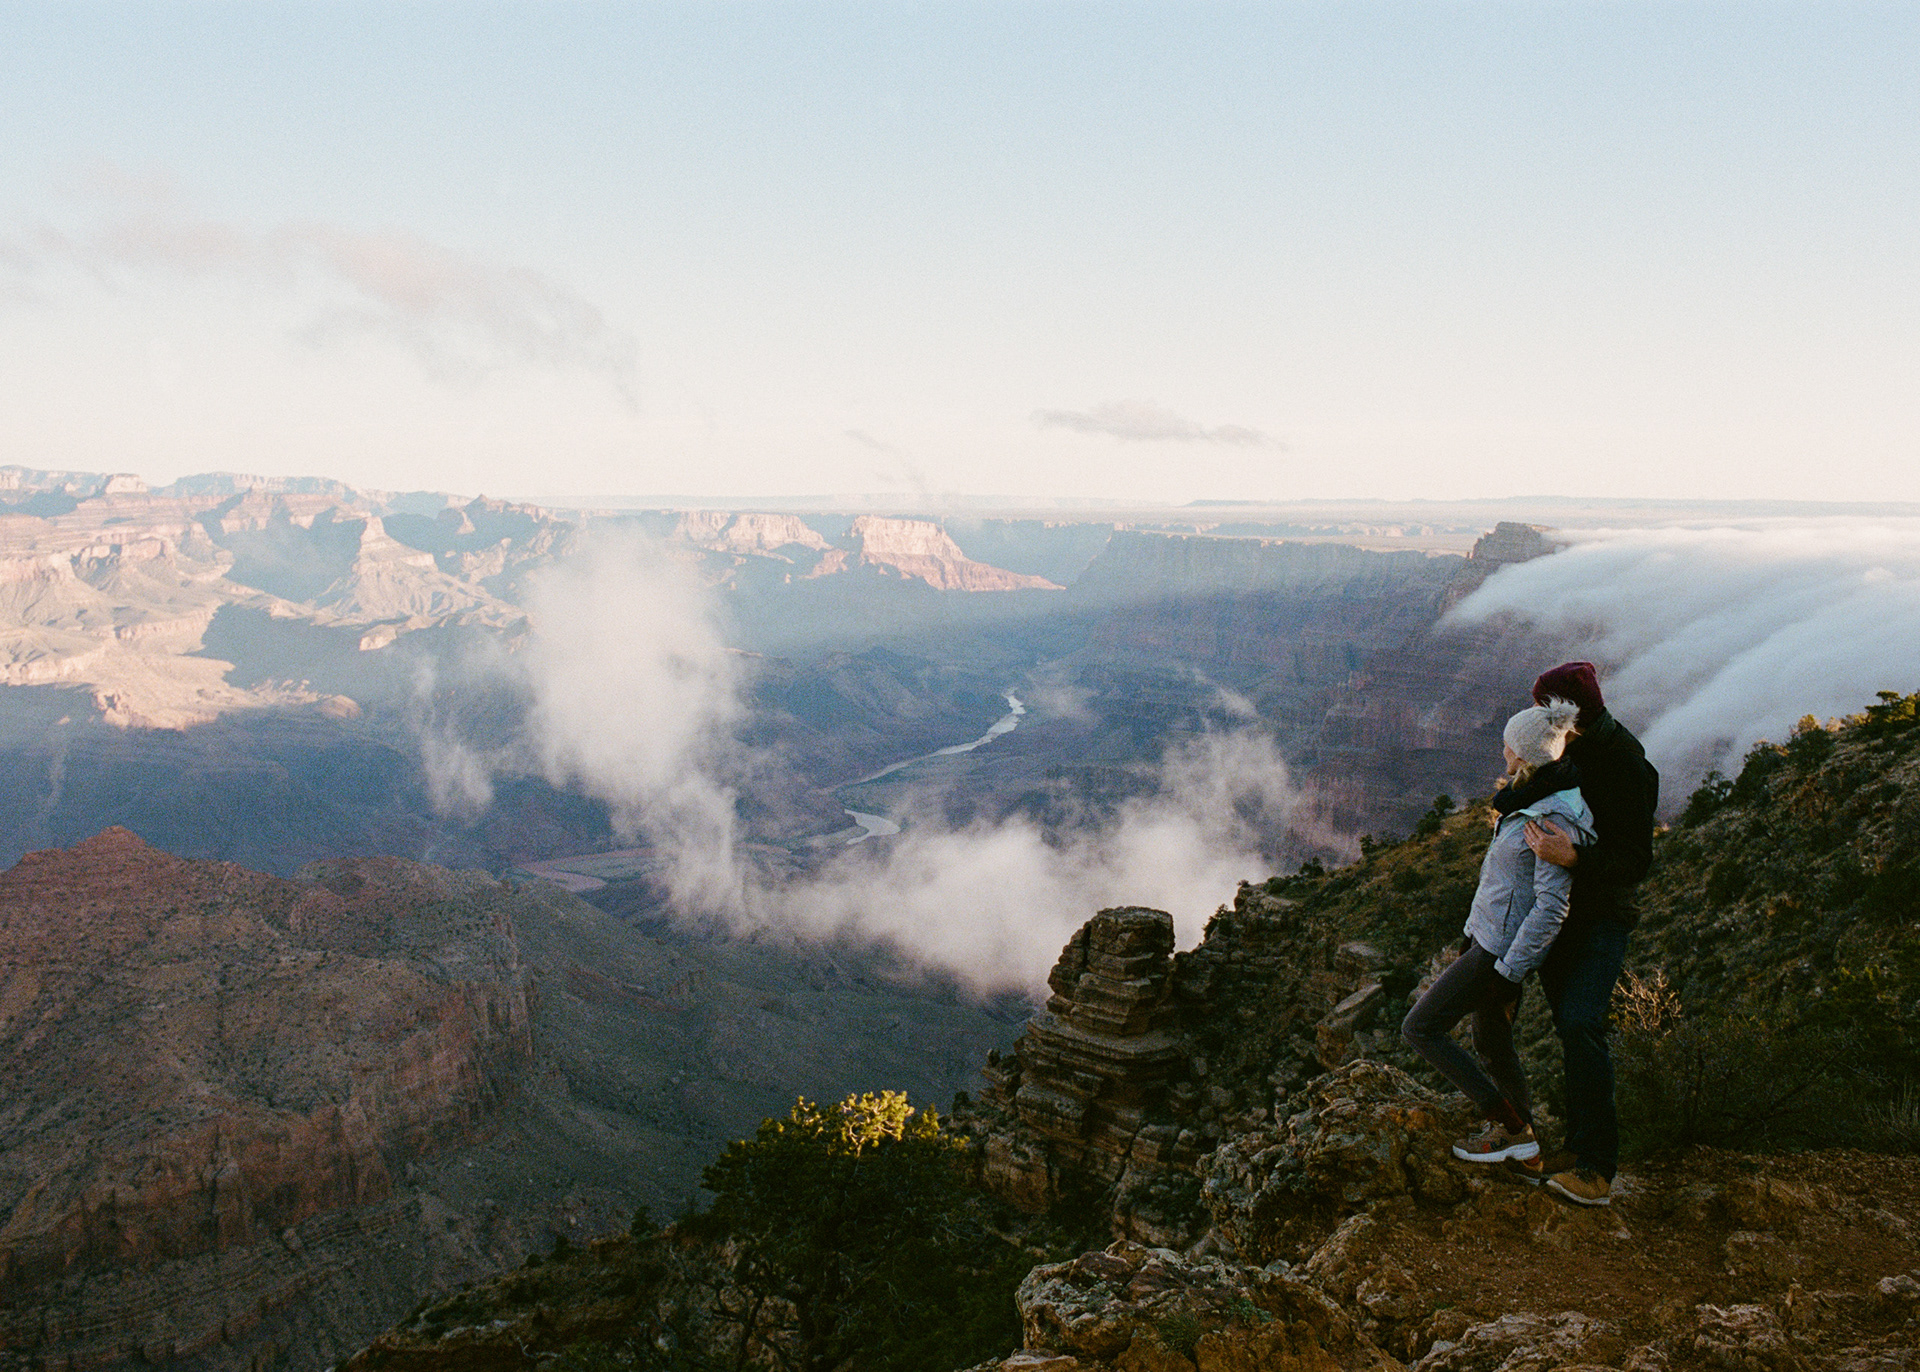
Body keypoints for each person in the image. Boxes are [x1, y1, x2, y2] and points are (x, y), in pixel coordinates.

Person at [1402, 698, 1593, 1165]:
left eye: (1508, 744)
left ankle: (1507, 1124)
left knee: (1421, 1028)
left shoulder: (1550, 818)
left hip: (1498, 953)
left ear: (1524, 754)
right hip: (1486, 939)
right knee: (1492, 1043)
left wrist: (1508, 970)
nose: (1502, 750)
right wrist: (1472, 933)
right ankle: (1524, 1147)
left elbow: (1551, 907)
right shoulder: (1528, 799)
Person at [1518, 661, 1660, 1207]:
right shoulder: (1568, 751)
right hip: (1561, 914)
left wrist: (1573, 856)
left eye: (1542, 708)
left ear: (1566, 713)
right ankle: (1578, 1148)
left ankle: (1598, 1170)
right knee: (1567, 1028)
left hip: (1603, 916)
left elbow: (1635, 860)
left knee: (1582, 1023)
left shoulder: (1626, 763)